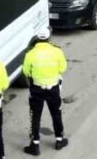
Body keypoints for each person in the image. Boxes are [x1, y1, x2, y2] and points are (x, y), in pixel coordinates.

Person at [22, 28, 68, 156]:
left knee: (35, 116)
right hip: (53, 88)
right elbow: (63, 68)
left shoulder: (30, 54)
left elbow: (26, 71)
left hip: (36, 89)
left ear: (37, 38)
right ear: (49, 38)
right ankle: (59, 140)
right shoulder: (57, 51)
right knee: (56, 114)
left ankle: (35, 145)